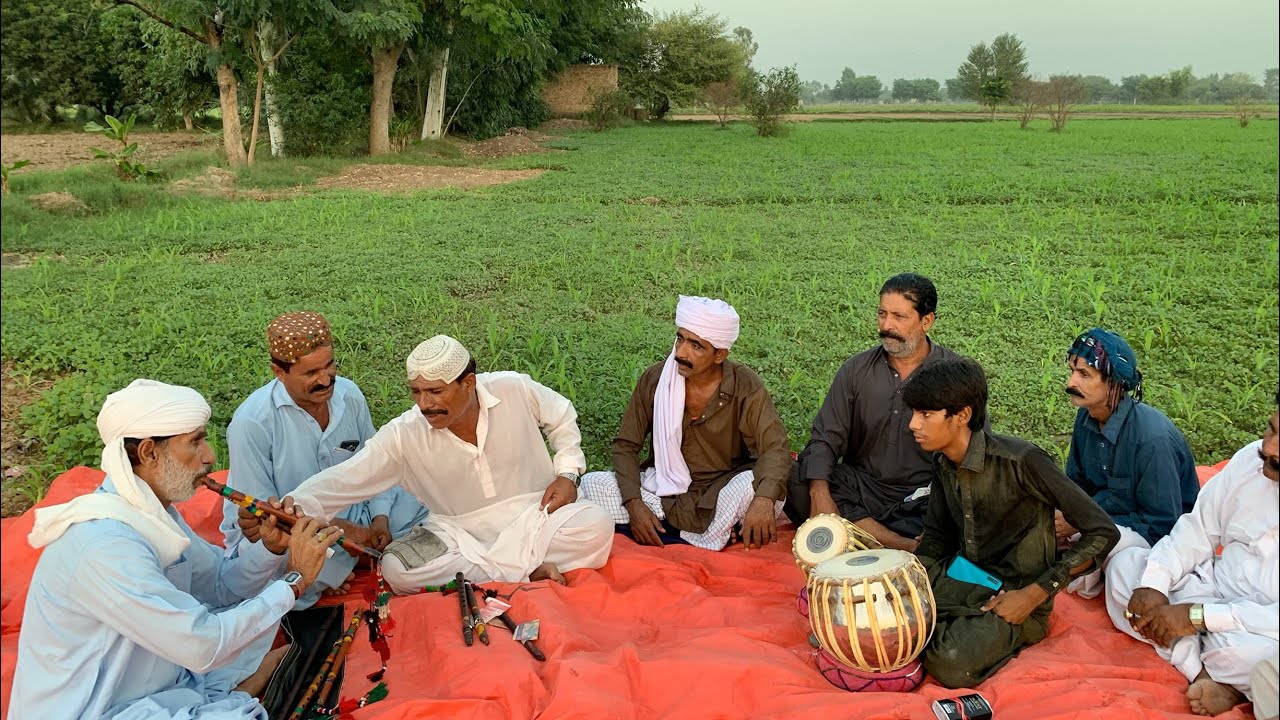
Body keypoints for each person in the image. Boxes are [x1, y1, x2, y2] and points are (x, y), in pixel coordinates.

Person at [11, 379, 342, 719]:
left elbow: (221, 586)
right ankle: (236, 694)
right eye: (195, 442)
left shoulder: (153, 513)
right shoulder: (105, 546)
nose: (210, 457)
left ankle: (233, 691)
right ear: (149, 453)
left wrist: (272, 549)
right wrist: (295, 581)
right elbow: (201, 645)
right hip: (97, 708)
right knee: (249, 639)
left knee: (258, 621)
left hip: (156, 683)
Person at [277, 335, 614, 593]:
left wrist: (567, 472)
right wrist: (298, 504)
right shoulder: (404, 435)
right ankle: (528, 571)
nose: (425, 404)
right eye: (416, 392)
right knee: (396, 569)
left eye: (436, 392)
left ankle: (502, 573)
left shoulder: (513, 388)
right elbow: (348, 477)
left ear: (468, 383)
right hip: (457, 534)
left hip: (535, 516)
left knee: (596, 527)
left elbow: (562, 414)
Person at [904, 360, 1119, 689]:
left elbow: (1103, 531)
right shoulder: (942, 461)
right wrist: (904, 581)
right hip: (963, 577)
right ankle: (943, 619)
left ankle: (950, 627)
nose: (913, 424)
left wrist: (1035, 594)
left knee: (949, 661)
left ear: (961, 415)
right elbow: (936, 537)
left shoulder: (1023, 461)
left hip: (1018, 597)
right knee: (878, 609)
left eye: (925, 414)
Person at [225, 311, 425, 607]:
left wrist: (380, 519)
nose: (325, 380)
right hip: (293, 530)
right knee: (272, 574)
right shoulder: (252, 424)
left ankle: (341, 566)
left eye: (329, 366)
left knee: (426, 495)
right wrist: (345, 531)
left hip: (360, 517)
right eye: (310, 373)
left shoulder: (349, 395)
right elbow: (264, 517)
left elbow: (377, 466)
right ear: (279, 373)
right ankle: (332, 571)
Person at [1106, 397, 1279, 717]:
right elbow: (1198, 530)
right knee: (1124, 569)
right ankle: (1205, 675)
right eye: (1271, 429)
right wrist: (1155, 586)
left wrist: (1196, 617)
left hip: (1258, 630)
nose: (1269, 447)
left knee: (1253, 660)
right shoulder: (1250, 460)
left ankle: (1205, 666)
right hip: (1211, 585)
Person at [579, 296, 791, 551]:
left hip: (719, 493)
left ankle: (672, 533)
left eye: (696, 346)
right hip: (664, 492)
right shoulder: (656, 379)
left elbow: (775, 448)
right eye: (680, 339)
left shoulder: (745, 386)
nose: (680, 353)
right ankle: (709, 535)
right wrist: (635, 504)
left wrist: (764, 500)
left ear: (719, 355)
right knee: (592, 485)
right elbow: (625, 445)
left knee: (755, 489)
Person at [786, 273, 960, 551]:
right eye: (882, 314)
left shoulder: (954, 373)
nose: (886, 326)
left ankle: (857, 536)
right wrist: (820, 494)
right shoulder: (857, 370)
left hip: (925, 497)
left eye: (899, 317)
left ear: (927, 321)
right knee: (796, 475)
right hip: (862, 490)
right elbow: (824, 438)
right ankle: (905, 546)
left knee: (968, 508)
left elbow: (974, 450)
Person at [1058, 328, 1199, 598]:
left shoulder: (1151, 440)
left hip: (1154, 536)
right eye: (1072, 371)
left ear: (1114, 384)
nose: (1071, 381)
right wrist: (1064, 514)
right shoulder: (1085, 418)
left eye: (1084, 374)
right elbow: (1076, 485)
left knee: (1108, 556)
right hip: (1103, 519)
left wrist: (1082, 523)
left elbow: (1163, 526)